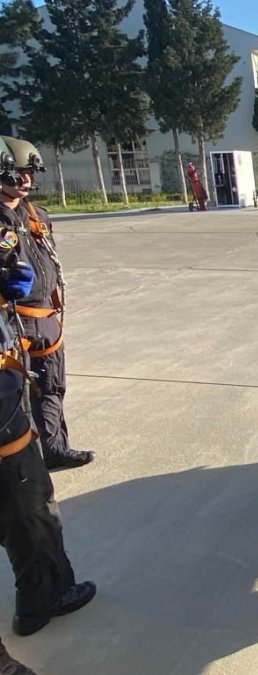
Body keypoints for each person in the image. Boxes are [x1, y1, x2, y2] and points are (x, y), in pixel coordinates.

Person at [0, 213, 96, 637]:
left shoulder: (27, 218)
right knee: (29, 506)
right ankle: (41, 601)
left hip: (25, 340)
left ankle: (54, 446)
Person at [0, 136, 94, 471]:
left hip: (46, 318)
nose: (27, 180)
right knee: (15, 395)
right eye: (18, 174)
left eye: (30, 173)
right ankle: (24, 463)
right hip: (11, 322)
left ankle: (55, 449)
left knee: (52, 386)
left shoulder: (36, 214)